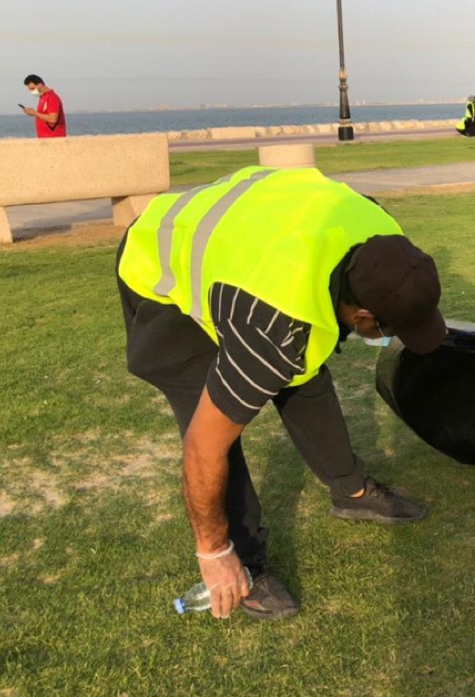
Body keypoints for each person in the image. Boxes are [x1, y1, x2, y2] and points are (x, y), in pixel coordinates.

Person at [116, 166, 446, 620]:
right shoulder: (270, 326)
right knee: (213, 418)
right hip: (161, 265)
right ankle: (242, 562)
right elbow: (203, 448)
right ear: (364, 318)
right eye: (390, 330)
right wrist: (212, 552)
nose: (390, 338)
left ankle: (350, 490)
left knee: (305, 372)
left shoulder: (382, 237)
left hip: (249, 247)